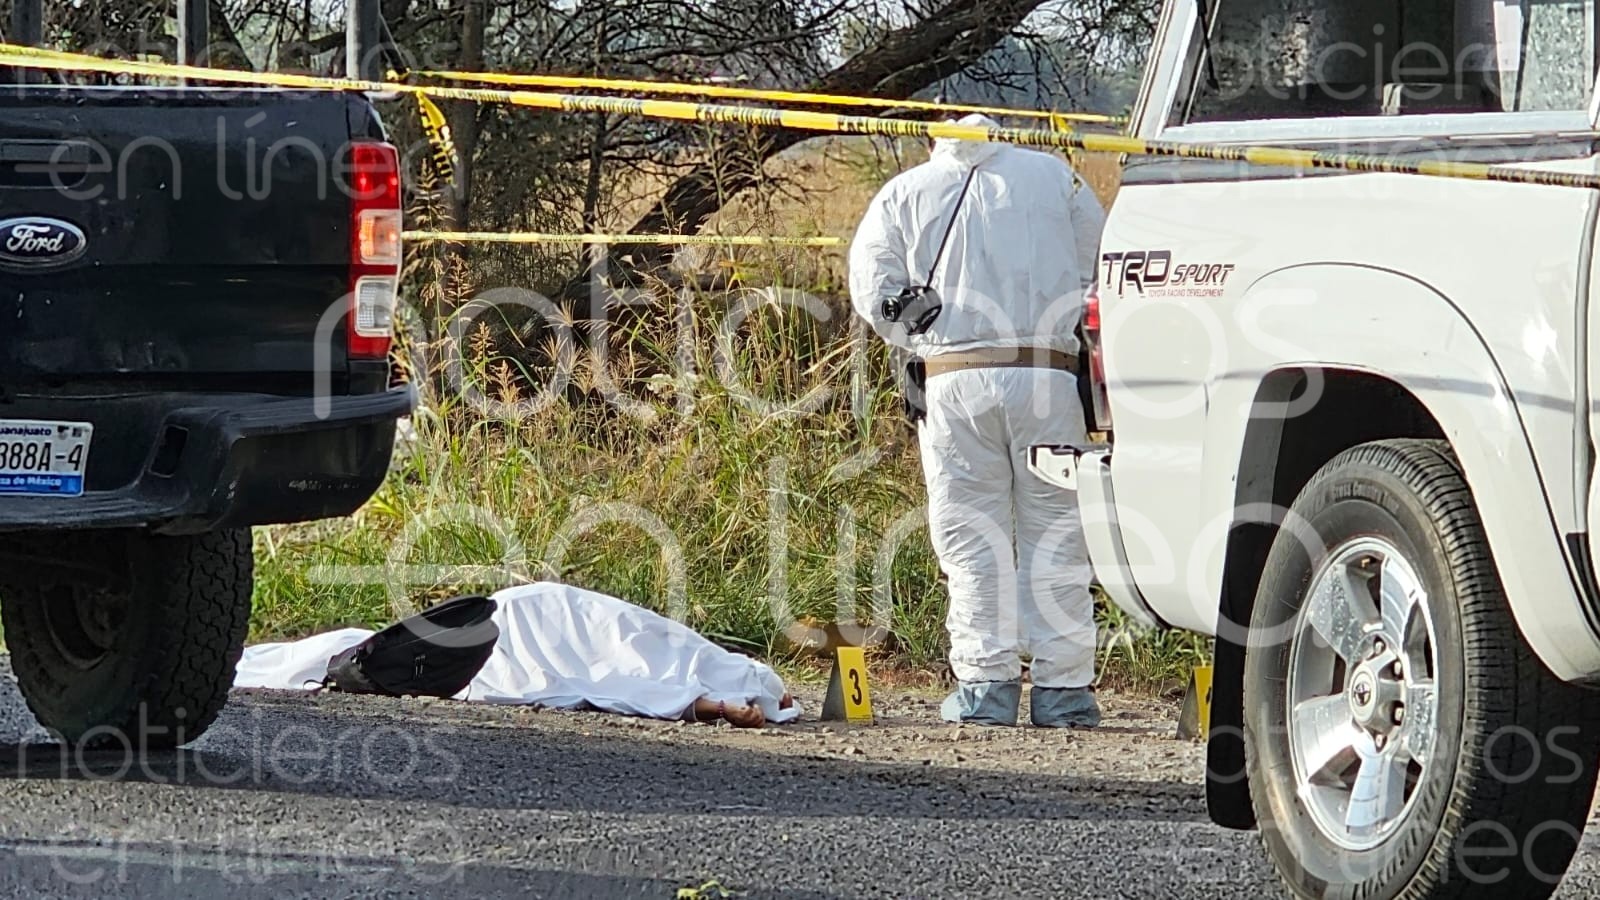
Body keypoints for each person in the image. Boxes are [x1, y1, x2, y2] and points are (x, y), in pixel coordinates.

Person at [848, 113, 1107, 727]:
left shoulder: (903, 192)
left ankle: (985, 688)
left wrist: (912, 337)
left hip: (952, 378)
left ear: (937, 142)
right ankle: (1064, 693)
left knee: (970, 540)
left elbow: (873, 285)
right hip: (1047, 373)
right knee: (1059, 536)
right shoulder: (1055, 177)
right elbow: (1097, 266)